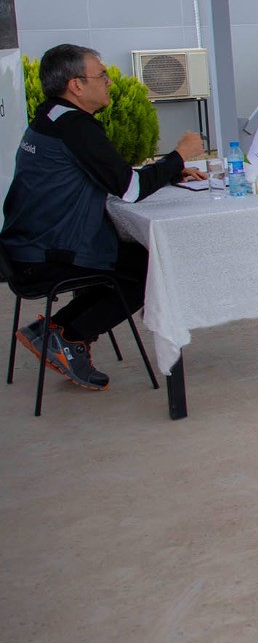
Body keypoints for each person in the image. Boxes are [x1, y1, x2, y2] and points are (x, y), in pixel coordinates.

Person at [3, 44, 207, 390]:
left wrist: (169, 172)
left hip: (23, 246)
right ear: (76, 85)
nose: (109, 82)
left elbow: (111, 176)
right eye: (102, 75)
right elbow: (129, 189)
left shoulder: (50, 117)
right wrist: (179, 155)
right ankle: (67, 336)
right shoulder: (76, 127)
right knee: (153, 267)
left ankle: (54, 331)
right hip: (47, 254)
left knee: (133, 259)